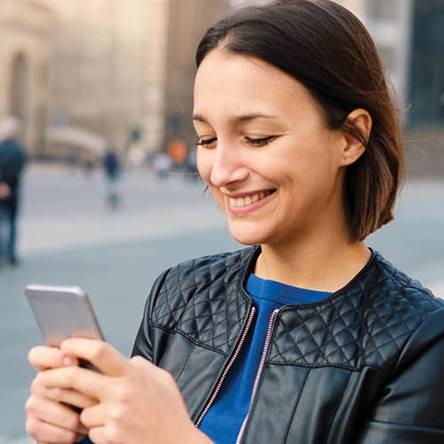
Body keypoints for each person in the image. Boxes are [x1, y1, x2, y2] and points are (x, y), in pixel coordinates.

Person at [25, 1, 444, 443]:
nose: (221, 172)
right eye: (207, 138)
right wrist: (82, 433)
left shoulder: (420, 340)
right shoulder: (180, 294)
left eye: (257, 138)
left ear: (350, 137)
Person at [0, 116, 27, 267]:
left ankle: (1, 255)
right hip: (13, 192)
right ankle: (10, 255)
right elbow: (18, 170)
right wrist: (7, 185)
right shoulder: (19, 150)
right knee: (11, 224)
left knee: (1, 224)